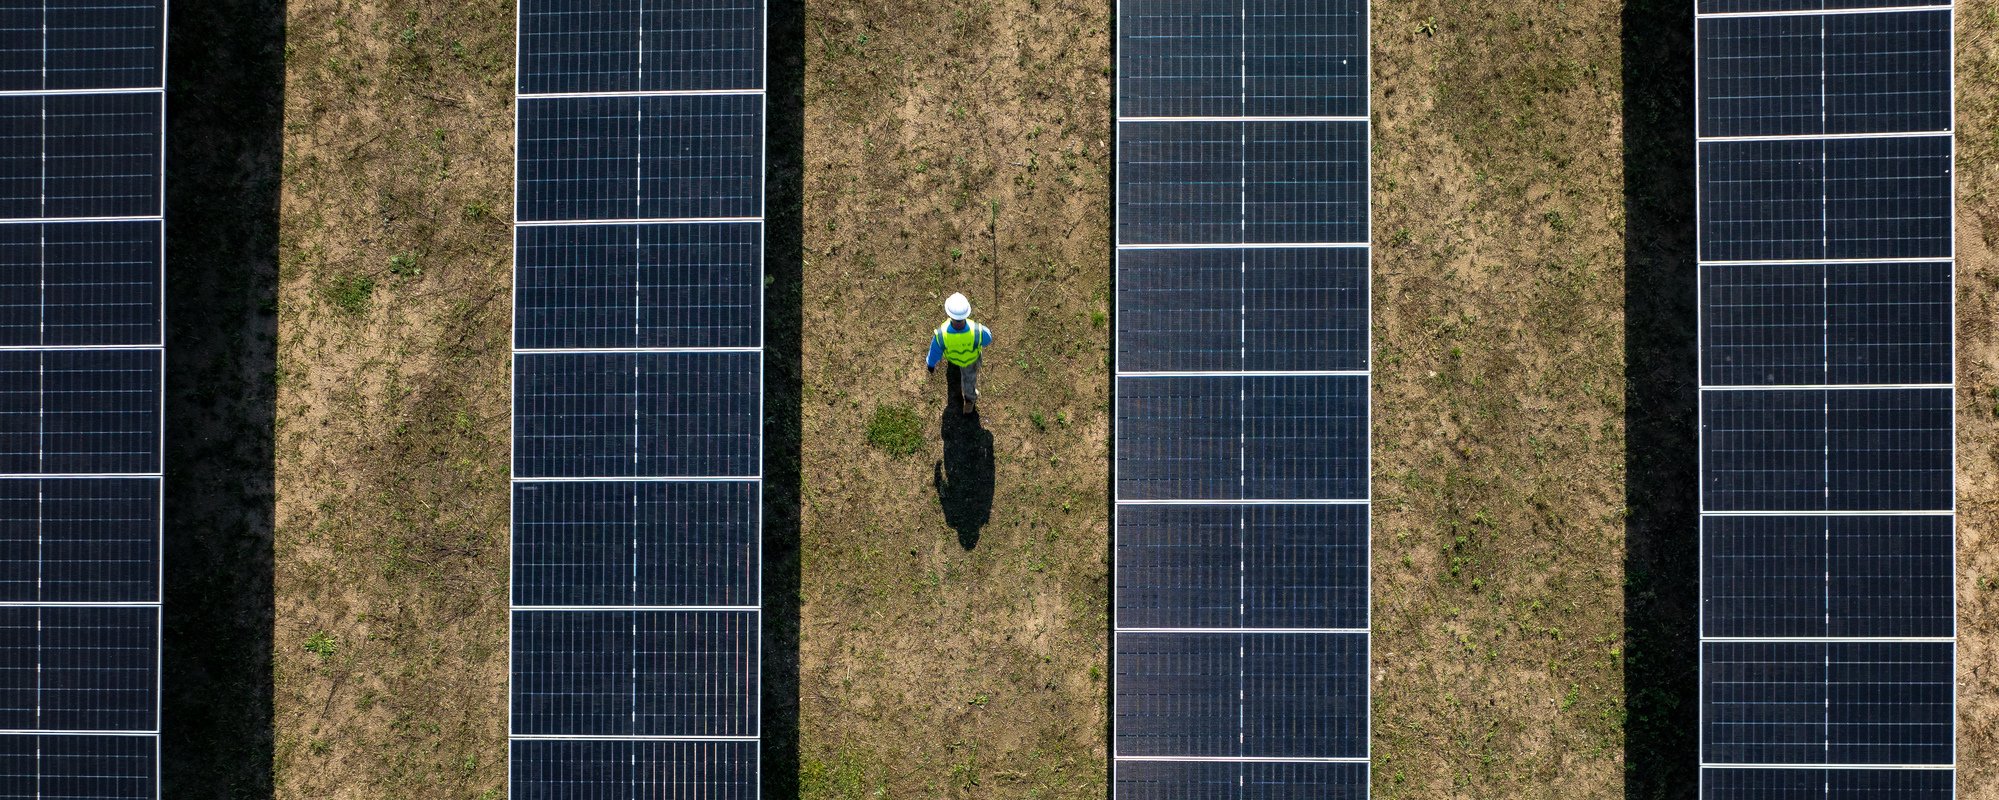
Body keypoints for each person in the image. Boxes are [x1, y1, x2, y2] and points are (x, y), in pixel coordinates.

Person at [925, 292, 993, 415]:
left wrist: (931, 364)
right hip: (970, 361)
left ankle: (967, 398)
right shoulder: (977, 330)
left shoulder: (941, 335)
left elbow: (935, 351)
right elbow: (988, 338)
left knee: (956, 375)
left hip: (954, 359)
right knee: (969, 381)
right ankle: (969, 400)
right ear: (967, 312)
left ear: (949, 314)